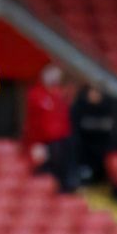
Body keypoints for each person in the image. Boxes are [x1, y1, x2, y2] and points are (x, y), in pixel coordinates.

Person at [23, 64, 76, 192]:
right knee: (44, 173)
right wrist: (35, 143)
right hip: (43, 141)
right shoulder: (36, 95)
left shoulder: (59, 95)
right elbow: (33, 121)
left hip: (61, 140)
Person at [71, 86, 116, 184]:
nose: (95, 96)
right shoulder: (79, 108)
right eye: (92, 93)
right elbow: (75, 130)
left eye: (97, 93)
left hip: (102, 150)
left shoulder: (108, 108)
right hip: (84, 150)